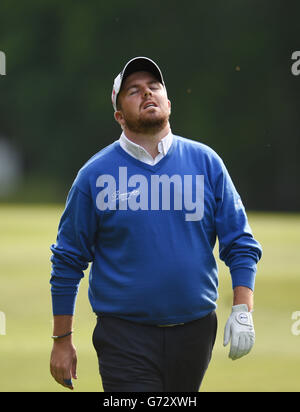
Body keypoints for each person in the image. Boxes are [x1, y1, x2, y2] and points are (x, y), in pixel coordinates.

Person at [49, 57, 262, 392]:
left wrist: (242, 310)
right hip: (123, 334)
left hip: (195, 332)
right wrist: (62, 339)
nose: (147, 93)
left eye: (154, 87)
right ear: (119, 116)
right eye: (134, 91)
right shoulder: (94, 175)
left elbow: (240, 244)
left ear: (168, 103)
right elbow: (67, 259)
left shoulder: (206, 163)